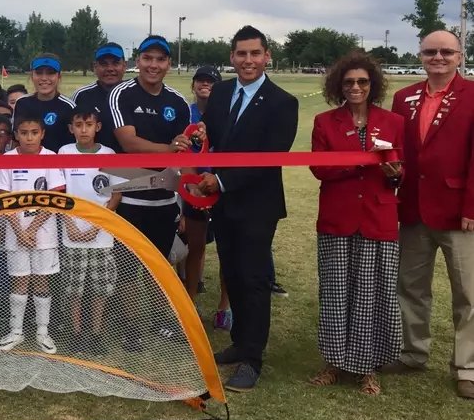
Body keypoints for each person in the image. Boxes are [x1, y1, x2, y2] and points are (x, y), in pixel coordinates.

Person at [195, 25, 299, 392]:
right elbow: (213, 144)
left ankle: (252, 358)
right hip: (222, 205)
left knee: (254, 279)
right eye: (242, 54)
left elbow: (269, 159)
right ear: (232, 57)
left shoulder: (283, 102)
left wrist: (222, 182)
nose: (248, 60)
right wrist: (200, 158)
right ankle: (239, 341)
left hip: (257, 205)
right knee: (232, 273)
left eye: (255, 53)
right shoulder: (221, 93)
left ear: (267, 55)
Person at [309, 53, 404, 396]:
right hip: (337, 218)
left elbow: (399, 172)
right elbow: (320, 168)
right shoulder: (324, 121)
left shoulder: (393, 122)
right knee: (335, 293)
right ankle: (333, 362)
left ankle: (368, 369)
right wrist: (361, 163)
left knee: (372, 295)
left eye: (362, 81)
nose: (355, 87)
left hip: (378, 218)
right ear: (339, 85)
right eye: (349, 82)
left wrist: (394, 175)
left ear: (372, 84)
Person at [388, 31, 474, 400]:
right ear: (420, 56)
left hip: (459, 212)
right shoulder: (403, 97)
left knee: (467, 294)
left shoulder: (472, 95)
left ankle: (467, 367)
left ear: (459, 56)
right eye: (430, 52)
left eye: (446, 51)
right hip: (412, 207)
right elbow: (394, 150)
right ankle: (413, 353)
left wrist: (472, 206)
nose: (437, 57)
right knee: (411, 287)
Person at [108, 36, 190, 352]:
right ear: (137, 60)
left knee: (161, 266)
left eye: (160, 59)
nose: (153, 65)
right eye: (147, 58)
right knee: (128, 268)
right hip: (130, 198)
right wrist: (168, 150)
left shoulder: (179, 102)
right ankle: (131, 329)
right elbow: (129, 143)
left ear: (168, 63)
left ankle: (162, 320)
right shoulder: (121, 94)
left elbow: (185, 149)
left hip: (167, 199)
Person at [0, 111, 66, 354]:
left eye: (34, 133)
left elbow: (56, 197)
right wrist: (20, 230)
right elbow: (4, 199)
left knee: (41, 280)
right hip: (15, 233)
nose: (29, 138)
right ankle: (16, 331)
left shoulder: (51, 158)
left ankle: (42, 332)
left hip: (44, 234)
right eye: (24, 133)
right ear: (16, 135)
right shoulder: (7, 159)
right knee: (19, 279)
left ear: (42, 134)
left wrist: (33, 228)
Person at [58, 107, 122, 355]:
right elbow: (60, 192)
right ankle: (76, 334)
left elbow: (116, 193)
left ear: (98, 127)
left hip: (101, 235)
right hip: (71, 233)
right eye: (78, 124)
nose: (83, 129)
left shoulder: (109, 154)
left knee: (100, 288)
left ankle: (95, 333)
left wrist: (99, 224)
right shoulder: (64, 152)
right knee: (74, 288)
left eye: (88, 124)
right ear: (71, 128)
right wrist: (71, 224)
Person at [182, 65, 231, 328]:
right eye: (200, 80)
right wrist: (194, 186)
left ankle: (225, 307)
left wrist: (216, 183)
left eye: (210, 81)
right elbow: (180, 153)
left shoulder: (226, 115)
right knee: (195, 247)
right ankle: (191, 301)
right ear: (193, 85)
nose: (205, 85)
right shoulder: (185, 113)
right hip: (194, 188)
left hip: (221, 189)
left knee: (226, 249)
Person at [71, 42, 128, 152]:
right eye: (104, 64)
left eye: (115, 63)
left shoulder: (134, 93)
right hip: (91, 164)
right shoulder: (82, 95)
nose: (110, 68)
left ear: (124, 66)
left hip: (128, 165)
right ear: (95, 67)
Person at [13, 54, 75, 153]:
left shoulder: (68, 107)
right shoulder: (22, 103)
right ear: (32, 76)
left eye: (50, 73)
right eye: (39, 73)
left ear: (59, 76)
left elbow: (72, 146)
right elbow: (15, 141)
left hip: (57, 165)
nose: (44, 78)